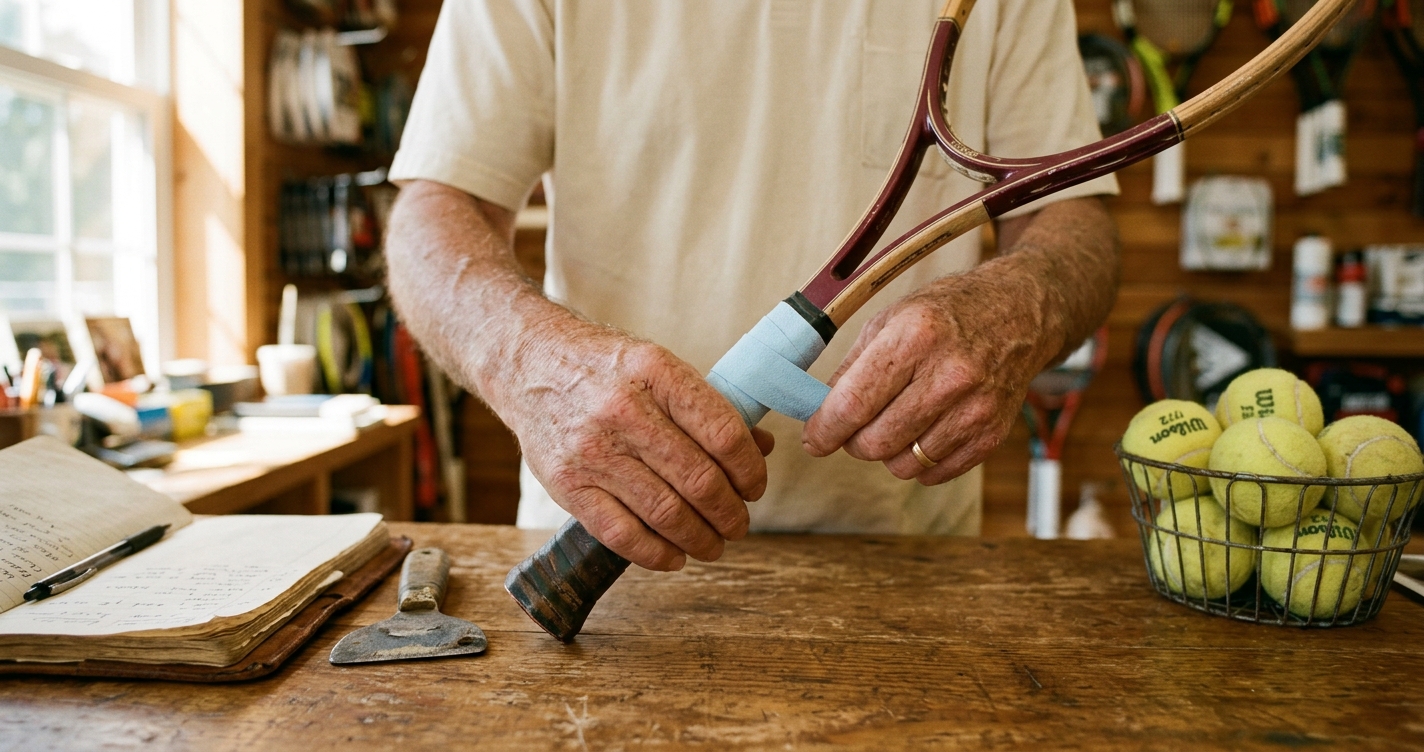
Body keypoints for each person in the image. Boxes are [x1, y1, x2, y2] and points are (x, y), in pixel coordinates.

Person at [385, 0, 1120, 572]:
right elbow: (432, 216)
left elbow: (1073, 221)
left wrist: (1019, 304)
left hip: (908, 563)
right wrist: (528, 362)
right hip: (598, 554)